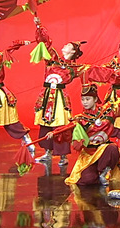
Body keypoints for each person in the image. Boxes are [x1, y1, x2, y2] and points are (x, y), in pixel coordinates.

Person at [31, 16, 92, 167]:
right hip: (46, 96)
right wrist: (39, 26)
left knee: (60, 125)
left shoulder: (74, 68)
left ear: (73, 51)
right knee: (45, 124)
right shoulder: (53, 59)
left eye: (68, 45)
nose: (64, 46)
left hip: (59, 98)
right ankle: (47, 152)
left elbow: (90, 73)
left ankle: (63, 156)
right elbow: (45, 43)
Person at [64, 84, 120, 186]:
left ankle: (104, 172)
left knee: (113, 148)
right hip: (89, 155)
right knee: (87, 180)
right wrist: (54, 133)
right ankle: (96, 172)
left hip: (104, 151)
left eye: (87, 99)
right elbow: (67, 130)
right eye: (83, 100)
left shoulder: (107, 111)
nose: (85, 102)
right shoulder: (80, 119)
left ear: (95, 99)